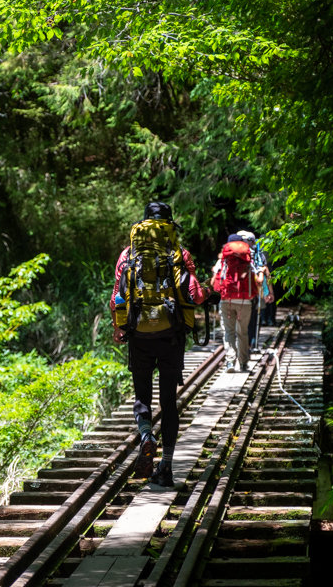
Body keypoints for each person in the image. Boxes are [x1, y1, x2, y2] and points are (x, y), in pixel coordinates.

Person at [110, 202, 211, 486]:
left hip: (138, 335)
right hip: (171, 336)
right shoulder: (180, 254)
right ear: (169, 225)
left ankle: (146, 435)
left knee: (142, 397)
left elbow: (116, 298)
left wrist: (118, 328)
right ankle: (165, 468)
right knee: (168, 403)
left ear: (143, 225)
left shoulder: (128, 254)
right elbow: (195, 295)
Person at [212, 234, 261, 372]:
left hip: (226, 300)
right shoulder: (248, 259)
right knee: (242, 333)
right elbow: (257, 279)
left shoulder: (223, 260)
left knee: (229, 331)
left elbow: (214, 280)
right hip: (244, 300)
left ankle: (230, 362)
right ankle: (244, 362)